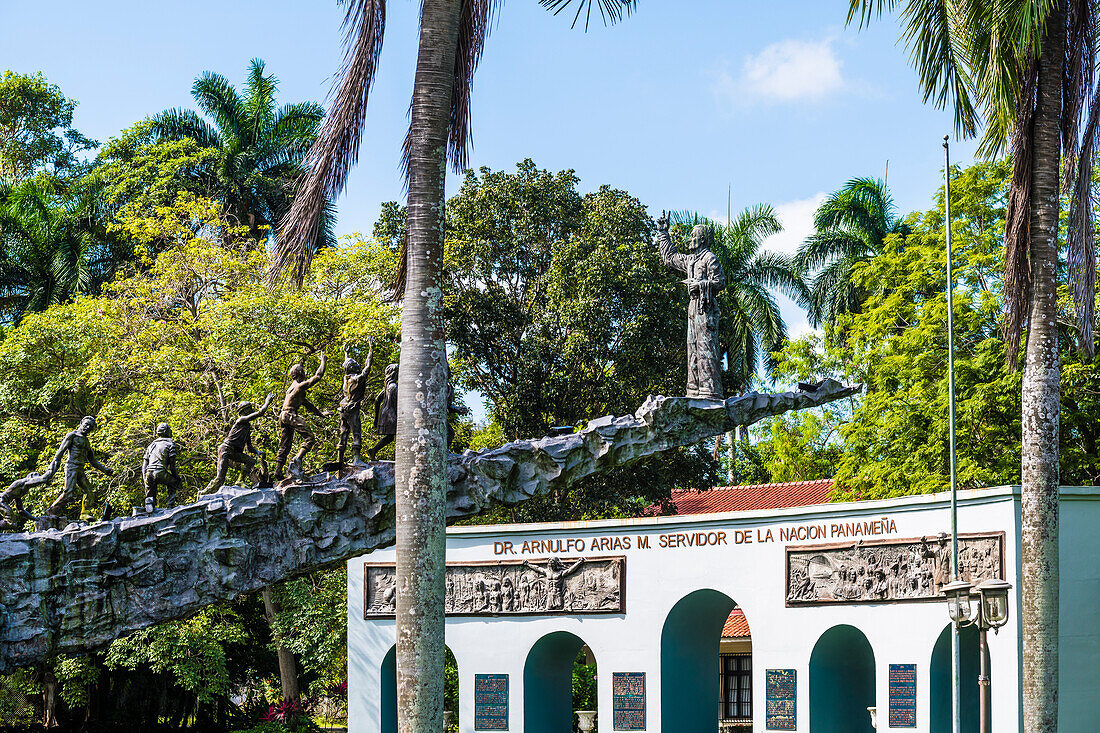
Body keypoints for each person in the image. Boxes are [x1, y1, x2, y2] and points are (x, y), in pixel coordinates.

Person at [655, 211, 726, 400]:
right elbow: (670, 258)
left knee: (706, 347)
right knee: (692, 347)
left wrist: (702, 284)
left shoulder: (709, 258)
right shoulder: (691, 260)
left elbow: (720, 281)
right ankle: (693, 389)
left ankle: (710, 391)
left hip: (706, 306)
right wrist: (663, 234)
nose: (689, 239)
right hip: (693, 306)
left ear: (701, 239)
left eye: (693, 236)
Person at [204, 394, 274, 494]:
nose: (251, 411)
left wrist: (258, 452)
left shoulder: (247, 427)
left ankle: (240, 481)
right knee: (220, 478)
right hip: (226, 449)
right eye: (249, 409)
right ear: (243, 411)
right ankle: (204, 494)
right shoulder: (240, 420)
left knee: (250, 461)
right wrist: (267, 402)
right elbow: (260, 412)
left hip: (234, 452)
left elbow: (249, 447)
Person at [46, 416, 114, 517]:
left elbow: (93, 461)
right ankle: (52, 511)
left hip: (80, 469)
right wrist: (52, 468)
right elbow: (60, 453)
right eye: (86, 424)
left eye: (90, 427)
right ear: (81, 422)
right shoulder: (72, 436)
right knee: (69, 493)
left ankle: (85, 514)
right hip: (71, 467)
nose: (87, 427)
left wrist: (105, 470)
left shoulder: (87, 442)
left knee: (89, 492)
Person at [274, 351, 328, 479]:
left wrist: (321, 413)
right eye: (303, 371)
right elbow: (318, 376)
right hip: (289, 414)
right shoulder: (299, 386)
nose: (305, 373)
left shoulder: (292, 389)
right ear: (300, 374)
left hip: (283, 416)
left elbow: (307, 404)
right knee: (309, 437)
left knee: (285, 444)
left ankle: (277, 471)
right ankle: (297, 459)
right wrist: (323, 361)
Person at [338, 339, 374, 467]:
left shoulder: (346, 378)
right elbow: (367, 366)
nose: (358, 365)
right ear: (353, 368)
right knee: (356, 433)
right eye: (355, 364)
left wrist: (346, 354)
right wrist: (371, 349)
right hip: (353, 410)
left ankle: (339, 460)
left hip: (343, 409)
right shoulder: (357, 379)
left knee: (343, 433)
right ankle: (356, 459)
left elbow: (346, 366)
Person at [142, 423, 182, 512]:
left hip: (149, 472)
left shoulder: (151, 445)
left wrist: (144, 476)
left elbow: (144, 464)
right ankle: (170, 505)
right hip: (160, 472)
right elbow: (172, 467)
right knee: (174, 482)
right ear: (167, 432)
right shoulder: (170, 444)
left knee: (150, 488)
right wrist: (177, 477)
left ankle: (149, 503)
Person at [367, 363, 398, 460]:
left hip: (385, 413)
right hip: (391, 414)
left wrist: (376, 416)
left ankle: (374, 450)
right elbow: (397, 402)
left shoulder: (387, 386)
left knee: (390, 437)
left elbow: (377, 400)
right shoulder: (393, 387)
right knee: (393, 436)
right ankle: (374, 450)